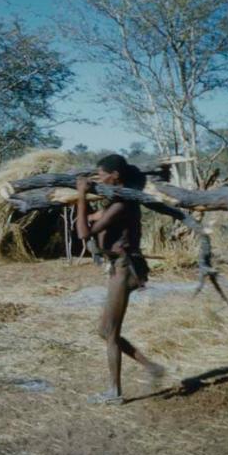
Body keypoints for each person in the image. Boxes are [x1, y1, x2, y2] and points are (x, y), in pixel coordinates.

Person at [76, 154, 164, 405]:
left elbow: (83, 232)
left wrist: (81, 195)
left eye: (101, 174)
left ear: (115, 176)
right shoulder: (116, 202)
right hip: (121, 267)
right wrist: (82, 205)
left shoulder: (121, 205)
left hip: (125, 269)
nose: (98, 177)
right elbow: (88, 220)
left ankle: (114, 393)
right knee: (104, 330)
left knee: (110, 333)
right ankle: (152, 367)